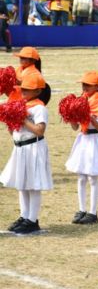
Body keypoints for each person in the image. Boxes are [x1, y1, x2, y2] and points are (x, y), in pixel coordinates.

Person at [0, 74, 52, 234]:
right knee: (22, 184)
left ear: (37, 91)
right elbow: (15, 131)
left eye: (27, 89)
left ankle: (32, 219)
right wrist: (11, 122)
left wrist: (22, 119)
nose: (23, 91)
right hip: (20, 148)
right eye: (23, 88)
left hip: (33, 148)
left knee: (33, 185)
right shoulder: (22, 105)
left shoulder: (39, 108)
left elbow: (39, 130)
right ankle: (24, 216)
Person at [65, 71, 98, 225]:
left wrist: (89, 116)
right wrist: (71, 115)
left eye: (88, 84)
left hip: (94, 140)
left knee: (92, 177)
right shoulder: (82, 100)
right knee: (81, 176)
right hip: (83, 139)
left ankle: (93, 212)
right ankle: (81, 209)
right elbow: (75, 127)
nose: (84, 87)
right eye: (83, 84)